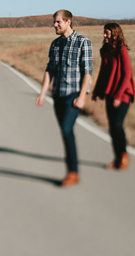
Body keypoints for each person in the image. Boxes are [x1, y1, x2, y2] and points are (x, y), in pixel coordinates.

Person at [36, 10, 93, 187]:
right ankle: (72, 168)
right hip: (58, 95)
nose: (55, 25)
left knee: (67, 130)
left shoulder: (83, 43)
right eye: (54, 22)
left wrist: (82, 97)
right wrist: (43, 93)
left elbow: (87, 73)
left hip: (73, 96)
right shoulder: (55, 45)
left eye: (58, 22)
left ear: (68, 22)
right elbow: (50, 70)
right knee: (65, 132)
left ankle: (73, 172)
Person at [92, 23, 135, 170]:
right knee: (112, 127)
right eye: (104, 33)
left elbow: (127, 74)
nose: (104, 36)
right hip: (110, 93)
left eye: (107, 33)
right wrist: (97, 91)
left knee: (117, 125)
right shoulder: (104, 51)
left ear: (115, 34)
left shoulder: (121, 50)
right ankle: (117, 158)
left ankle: (123, 155)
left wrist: (118, 95)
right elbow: (103, 73)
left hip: (123, 94)